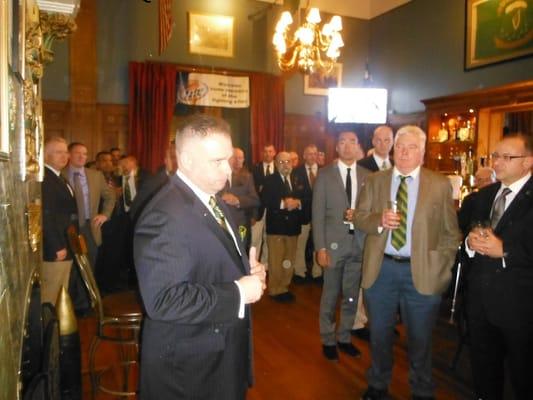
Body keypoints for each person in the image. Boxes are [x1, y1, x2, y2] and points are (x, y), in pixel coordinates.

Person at [134, 114, 266, 400]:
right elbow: (163, 300)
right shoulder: (165, 214)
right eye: (216, 161)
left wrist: (248, 269)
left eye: (228, 159)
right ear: (186, 161)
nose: (227, 170)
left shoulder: (212, 197)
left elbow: (211, 260)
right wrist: (239, 291)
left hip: (216, 354)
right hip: (189, 371)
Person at [354, 125, 460, 400]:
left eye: (412, 147)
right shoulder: (376, 181)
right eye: (400, 146)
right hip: (382, 269)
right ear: (392, 148)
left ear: (422, 152)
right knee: (379, 334)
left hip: (423, 272)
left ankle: (422, 389)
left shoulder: (438, 184)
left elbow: (451, 233)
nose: (404, 152)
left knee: (421, 339)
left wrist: (442, 268)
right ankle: (378, 384)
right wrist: (378, 220)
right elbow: (359, 218)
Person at [464, 134, 533, 400]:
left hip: (520, 306)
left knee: (523, 375)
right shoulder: (484, 195)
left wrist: (505, 251)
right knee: (484, 372)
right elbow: (469, 233)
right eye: (495, 156)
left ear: (527, 162)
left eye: (507, 157)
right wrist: (470, 244)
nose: (497, 162)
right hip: (481, 302)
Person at [313, 131, 369, 361]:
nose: (348, 147)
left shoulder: (368, 176)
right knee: (330, 294)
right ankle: (328, 339)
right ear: (337, 147)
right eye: (343, 142)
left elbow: (371, 212)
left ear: (358, 147)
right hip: (333, 246)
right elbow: (317, 214)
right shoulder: (325, 175)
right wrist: (320, 248)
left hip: (358, 245)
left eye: (352, 142)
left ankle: (344, 337)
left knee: (351, 296)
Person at [352, 125, 395, 341]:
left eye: (388, 140)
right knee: (365, 277)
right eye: (379, 140)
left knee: (386, 280)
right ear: (373, 141)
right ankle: (358, 321)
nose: (383, 144)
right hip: (368, 228)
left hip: (393, 234)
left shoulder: (398, 166)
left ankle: (382, 320)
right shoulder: (362, 166)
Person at [261, 151, 304, 302]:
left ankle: (284, 287)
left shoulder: (298, 178)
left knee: (289, 259)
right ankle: (275, 289)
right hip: (276, 227)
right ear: (276, 163)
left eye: (288, 162)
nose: (286, 165)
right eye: (282, 162)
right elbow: (265, 200)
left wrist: (298, 203)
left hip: (293, 227)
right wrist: (284, 204)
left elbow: (306, 197)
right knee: (276, 260)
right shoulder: (270, 180)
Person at [65, 142, 116, 267]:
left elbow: (110, 196)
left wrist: (105, 215)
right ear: (69, 155)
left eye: (85, 154)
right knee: (71, 266)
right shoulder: (61, 174)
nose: (82, 156)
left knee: (90, 265)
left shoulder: (95, 175)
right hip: (68, 227)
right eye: (78, 153)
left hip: (90, 226)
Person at [42, 137, 78, 305]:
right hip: (57, 248)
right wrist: (56, 246)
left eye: (66, 152)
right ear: (47, 155)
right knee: (52, 295)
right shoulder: (46, 179)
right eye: (58, 152)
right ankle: (50, 331)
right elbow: (45, 215)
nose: (65, 156)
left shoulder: (57, 176)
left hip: (65, 243)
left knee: (60, 292)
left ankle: (57, 329)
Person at [218, 147, 260, 251]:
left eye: (240, 158)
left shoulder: (247, 177)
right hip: (220, 226)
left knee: (241, 253)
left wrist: (238, 200)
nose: (237, 161)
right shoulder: (216, 176)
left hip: (241, 226)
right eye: (234, 157)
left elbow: (255, 200)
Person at [292, 144, 322, 283]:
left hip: (320, 216)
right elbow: (294, 194)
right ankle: (300, 271)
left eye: (314, 153)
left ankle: (318, 272)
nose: (312, 156)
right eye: (309, 154)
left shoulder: (325, 171)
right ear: (304, 156)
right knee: (300, 244)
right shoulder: (295, 172)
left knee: (319, 243)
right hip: (302, 215)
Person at [251, 144, 276, 265]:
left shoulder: (278, 167)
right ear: (262, 153)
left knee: (269, 238)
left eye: (270, 151)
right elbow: (252, 190)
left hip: (274, 210)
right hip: (258, 210)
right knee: (255, 239)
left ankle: (266, 265)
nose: (267, 154)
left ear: (274, 153)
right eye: (265, 151)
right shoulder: (254, 169)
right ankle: (254, 264)